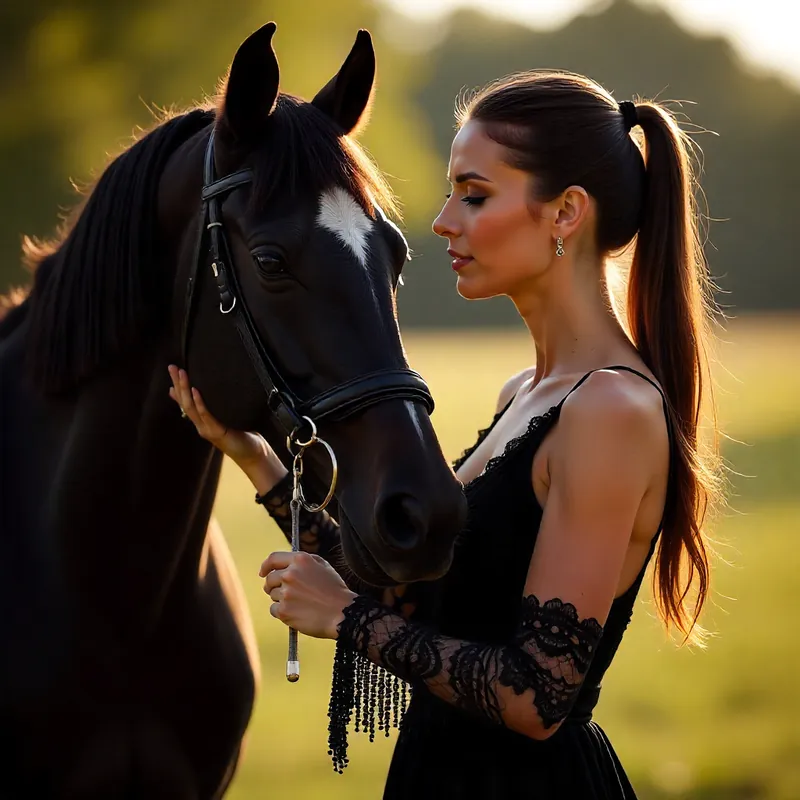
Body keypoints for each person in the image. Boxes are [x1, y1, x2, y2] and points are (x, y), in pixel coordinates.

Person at [168, 70, 722, 798]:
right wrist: (259, 461)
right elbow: (424, 603)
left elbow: (537, 699)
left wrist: (346, 617)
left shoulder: (609, 411)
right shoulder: (525, 395)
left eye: (474, 193)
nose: (441, 221)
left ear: (565, 214)